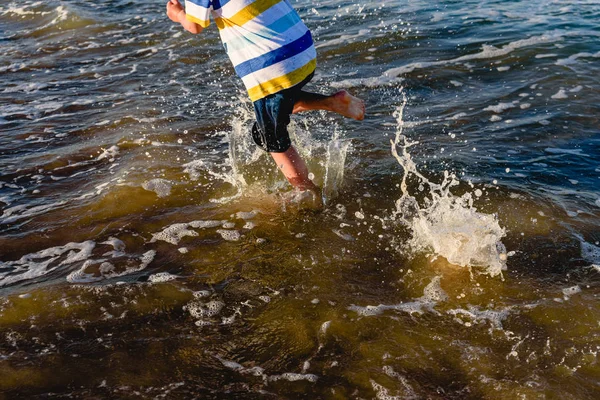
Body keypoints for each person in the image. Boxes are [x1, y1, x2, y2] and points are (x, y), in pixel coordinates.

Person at [166, 0, 365, 204]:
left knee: (268, 136)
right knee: (281, 103)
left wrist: (178, 13)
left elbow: (195, 25)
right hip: (302, 50)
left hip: (273, 66)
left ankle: (308, 194)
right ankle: (332, 103)